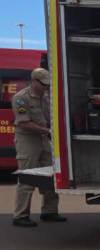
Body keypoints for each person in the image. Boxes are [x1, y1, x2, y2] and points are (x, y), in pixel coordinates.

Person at [12, 68, 66, 227]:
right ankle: (21, 215)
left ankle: (49, 211)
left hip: (43, 139)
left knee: (51, 174)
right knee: (28, 176)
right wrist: (49, 131)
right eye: (43, 84)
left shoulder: (46, 96)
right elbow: (24, 123)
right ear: (34, 81)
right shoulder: (21, 98)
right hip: (28, 139)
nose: (46, 87)